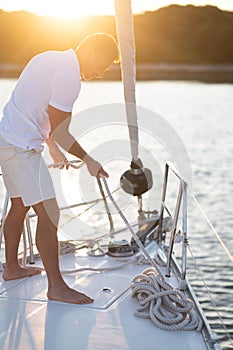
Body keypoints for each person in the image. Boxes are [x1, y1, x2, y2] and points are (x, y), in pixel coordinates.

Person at [0, 33, 120, 304]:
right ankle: (56, 287)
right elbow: (63, 133)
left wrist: (52, 148)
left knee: (19, 206)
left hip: (6, 138)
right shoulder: (69, 78)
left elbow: (36, 108)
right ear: (90, 50)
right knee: (50, 213)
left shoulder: (49, 57)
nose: (102, 72)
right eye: (104, 63)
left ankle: (11, 268)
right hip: (21, 148)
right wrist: (89, 160)